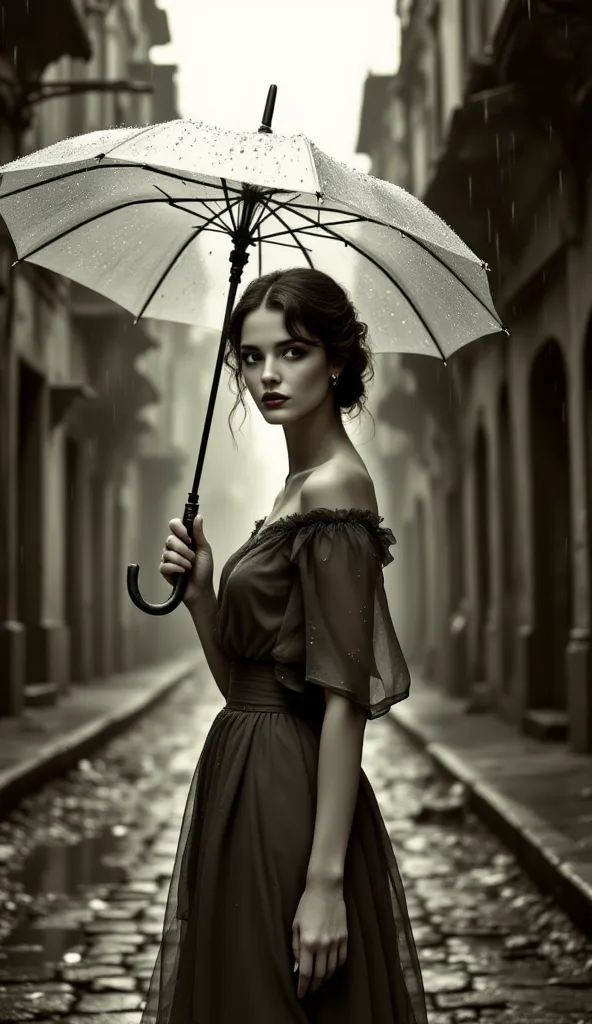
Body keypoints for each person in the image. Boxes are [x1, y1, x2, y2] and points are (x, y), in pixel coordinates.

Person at [142, 268, 427, 1024]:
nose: (267, 374)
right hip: (241, 773)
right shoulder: (291, 490)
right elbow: (244, 683)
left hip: (288, 798)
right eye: (250, 355)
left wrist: (325, 879)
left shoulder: (336, 487)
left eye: (292, 351)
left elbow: (345, 700)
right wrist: (203, 593)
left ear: (336, 360)